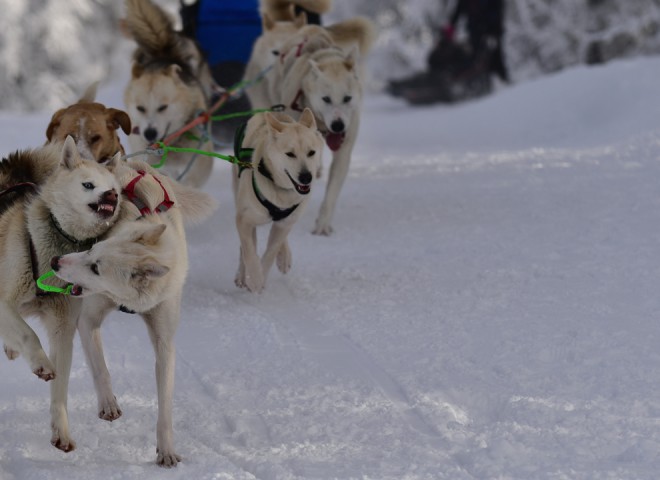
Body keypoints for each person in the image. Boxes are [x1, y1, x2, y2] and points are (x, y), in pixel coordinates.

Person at [388, 0, 509, 105]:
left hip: (489, 36)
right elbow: (457, 13)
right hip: (474, 34)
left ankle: (504, 92)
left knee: (493, 63)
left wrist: (493, 33)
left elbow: (497, 13)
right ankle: (403, 87)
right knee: (442, 71)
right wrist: (450, 29)